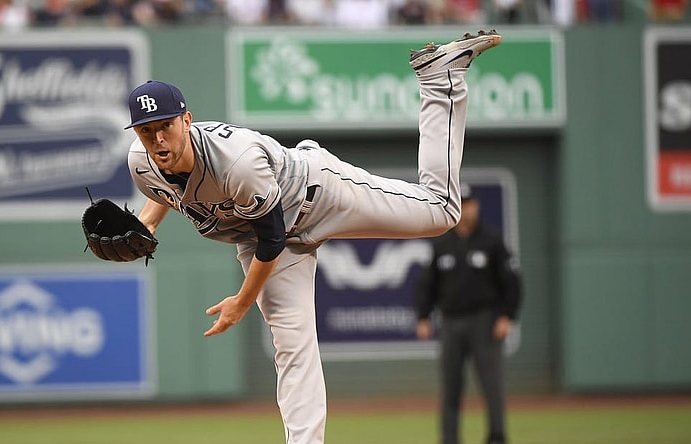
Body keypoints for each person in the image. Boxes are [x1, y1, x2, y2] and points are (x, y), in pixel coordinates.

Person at [124, 30, 502, 444]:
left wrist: (241, 302)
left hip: (316, 195)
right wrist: (148, 224)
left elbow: (272, 239)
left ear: (187, 120)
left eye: (166, 126)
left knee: (442, 211)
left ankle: (439, 80)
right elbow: (170, 188)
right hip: (261, 237)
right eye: (147, 131)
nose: (159, 139)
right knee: (292, 345)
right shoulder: (142, 163)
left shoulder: (236, 163)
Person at [413, 183, 522, 444]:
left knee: (491, 384)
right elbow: (427, 284)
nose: (467, 209)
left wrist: (507, 316)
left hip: (484, 320)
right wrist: (423, 316)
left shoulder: (492, 241)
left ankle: (496, 437)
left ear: (477, 206)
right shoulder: (443, 245)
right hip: (451, 321)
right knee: (451, 387)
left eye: (470, 203)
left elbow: (512, 282)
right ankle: (449, 439)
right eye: (462, 203)